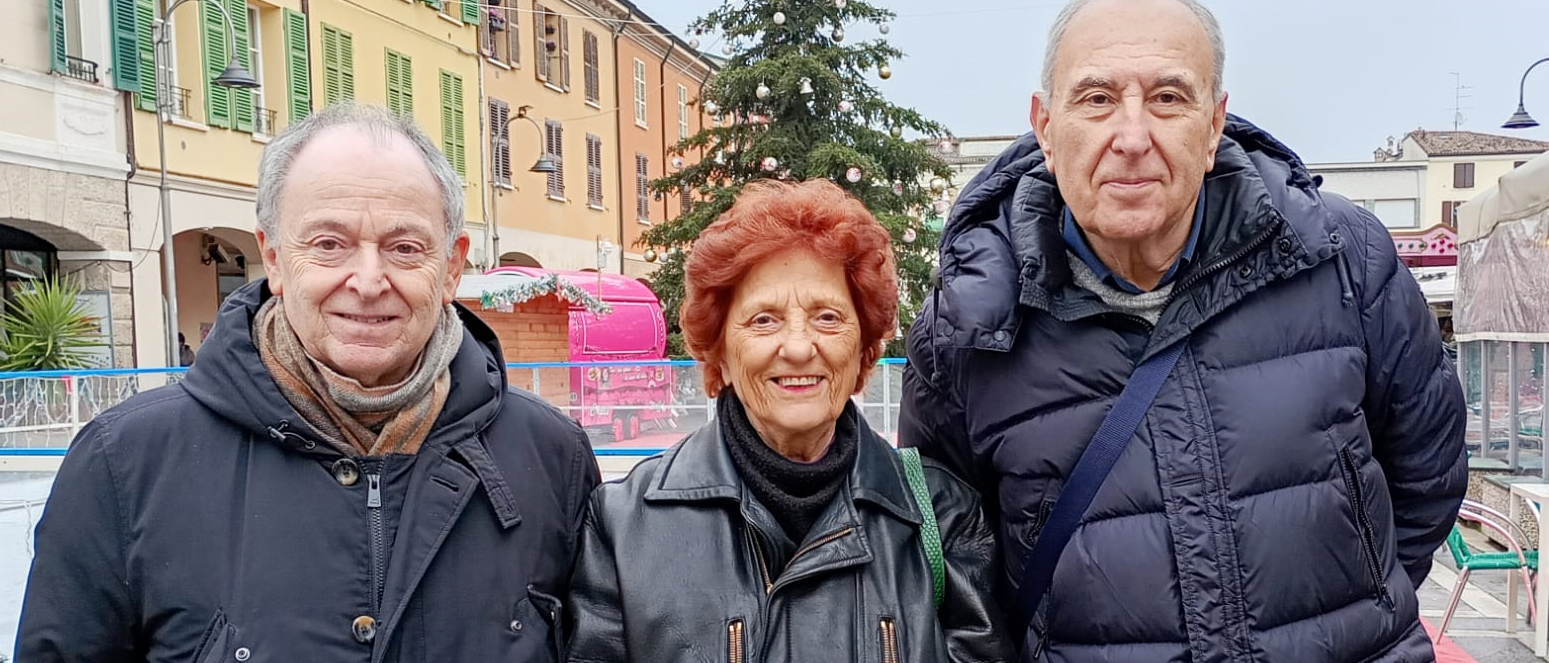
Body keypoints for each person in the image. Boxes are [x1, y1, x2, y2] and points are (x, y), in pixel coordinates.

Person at [898, 0, 1468, 661]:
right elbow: (950, 553)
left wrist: (1358, 621)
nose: (1131, 136)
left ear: (1214, 125)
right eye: (1096, 99)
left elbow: (1427, 472)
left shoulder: (1342, 258)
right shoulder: (968, 324)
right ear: (1046, 128)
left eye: (1167, 98)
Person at [16, 103, 600, 662]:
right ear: (273, 257)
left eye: (404, 248)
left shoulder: (554, 458)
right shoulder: (125, 463)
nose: (368, 281)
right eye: (328, 245)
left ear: (450, 267)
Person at [565, 180, 1013, 663]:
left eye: (827, 317)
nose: (799, 347)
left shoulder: (943, 516)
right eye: (764, 320)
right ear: (720, 352)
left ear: (863, 349)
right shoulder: (623, 523)